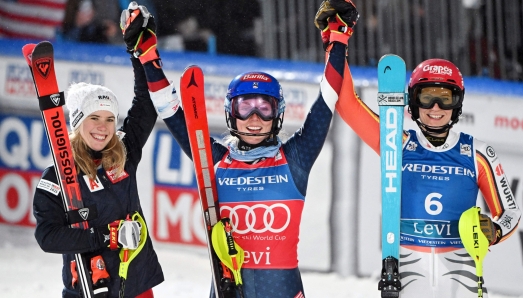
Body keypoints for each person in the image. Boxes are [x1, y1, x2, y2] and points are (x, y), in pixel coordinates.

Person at [145, 1, 358, 297]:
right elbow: (171, 113)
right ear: (231, 114)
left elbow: (327, 99)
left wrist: (338, 40)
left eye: (264, 108)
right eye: (245, 107)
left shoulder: (295, 158)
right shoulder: (214, 160)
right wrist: (146, 56)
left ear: (278, 114)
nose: (254, 119)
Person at [333, 42, 522, 297]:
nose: (436, 107)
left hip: (461, 278)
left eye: (445, 98)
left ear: (457, 104)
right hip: (409, 276)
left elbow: (510, 212)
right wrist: (336, 42)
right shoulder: (394, 143)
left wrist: (495, 230)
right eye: (427, 96)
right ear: (413, 101)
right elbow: (347, 104)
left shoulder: (477, 153)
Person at [33, 2, 171, 297]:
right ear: (78, 123)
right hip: (87, 287)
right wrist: (104, 237)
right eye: (94, 118)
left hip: (136, 285)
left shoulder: (123, 152)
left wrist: (138, 52)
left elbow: (145, 105)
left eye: (109, 118)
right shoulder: (56, 176)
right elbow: (47, 236)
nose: (103, 126)